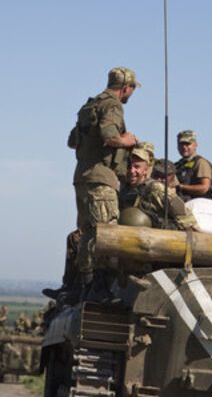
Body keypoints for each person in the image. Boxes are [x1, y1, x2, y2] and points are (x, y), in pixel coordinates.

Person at [69, 67, 140, 297]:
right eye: (131, 90)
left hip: (83, 177)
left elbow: (72, 141)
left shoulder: (90, 105)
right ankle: (98, 290)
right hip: (101, 178)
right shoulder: (112, 105)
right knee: (105, 234)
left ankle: (84, 287)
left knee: (88, 233)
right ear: (126, 88)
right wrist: (127, 140)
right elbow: (109, 136)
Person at [174, 130, 212, 200]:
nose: (184, 147)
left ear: (195, 145)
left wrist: (180, 187)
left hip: (199, 206)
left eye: (187, 144)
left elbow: (204, 188)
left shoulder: (200, 163)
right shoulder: (176, 165)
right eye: (181, 144)